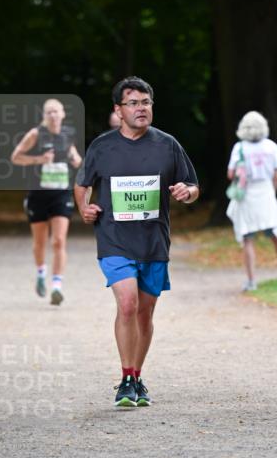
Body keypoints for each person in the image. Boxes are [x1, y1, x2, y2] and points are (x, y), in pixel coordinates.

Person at [74, 76, 199, 407]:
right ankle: (126, 377)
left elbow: (192, 185)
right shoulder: (103, 146)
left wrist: (187, 192)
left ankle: (137, 377)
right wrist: (83, 208)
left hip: (154, 243)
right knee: (127, 303)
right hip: (114, 239)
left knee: (144, 313)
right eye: (133, 103)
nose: (141, 109)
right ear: (118, 110)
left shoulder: (167, 145)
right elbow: (82, 183)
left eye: (146, 102)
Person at [11, 99, 82, 305]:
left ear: (63, 114)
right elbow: (16, 157)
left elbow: (75, 157)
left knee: (59, 240)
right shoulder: (35, 134)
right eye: (49, 112)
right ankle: (41, 272)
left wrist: (77, 161)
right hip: (38, 194)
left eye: (56, 111)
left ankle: (57, 286)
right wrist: (38, 160)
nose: (53, 115)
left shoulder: (68, 134)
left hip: (61, 194)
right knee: (40, 242)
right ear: (44, 115)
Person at [226, 110, 277, 291]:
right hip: (266, 193)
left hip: (246, 195)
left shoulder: (240, 148)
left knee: (247, 238)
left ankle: (252, 281)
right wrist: (272, 192)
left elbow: (231, 174)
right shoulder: (271, 146)